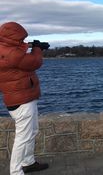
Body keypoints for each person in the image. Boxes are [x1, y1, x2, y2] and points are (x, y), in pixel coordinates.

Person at [0, 22, 49, 174]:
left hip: (21, 97)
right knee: (22, 138)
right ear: (13, 37)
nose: (22, 41)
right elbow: (35, 62)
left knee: (32, 131)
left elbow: (18, 50)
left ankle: (28, 162)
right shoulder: (12, 53)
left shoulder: (5, 47)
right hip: (22, 101)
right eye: (21, 39)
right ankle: (15, 172)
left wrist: (31, 46)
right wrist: (38, 49)